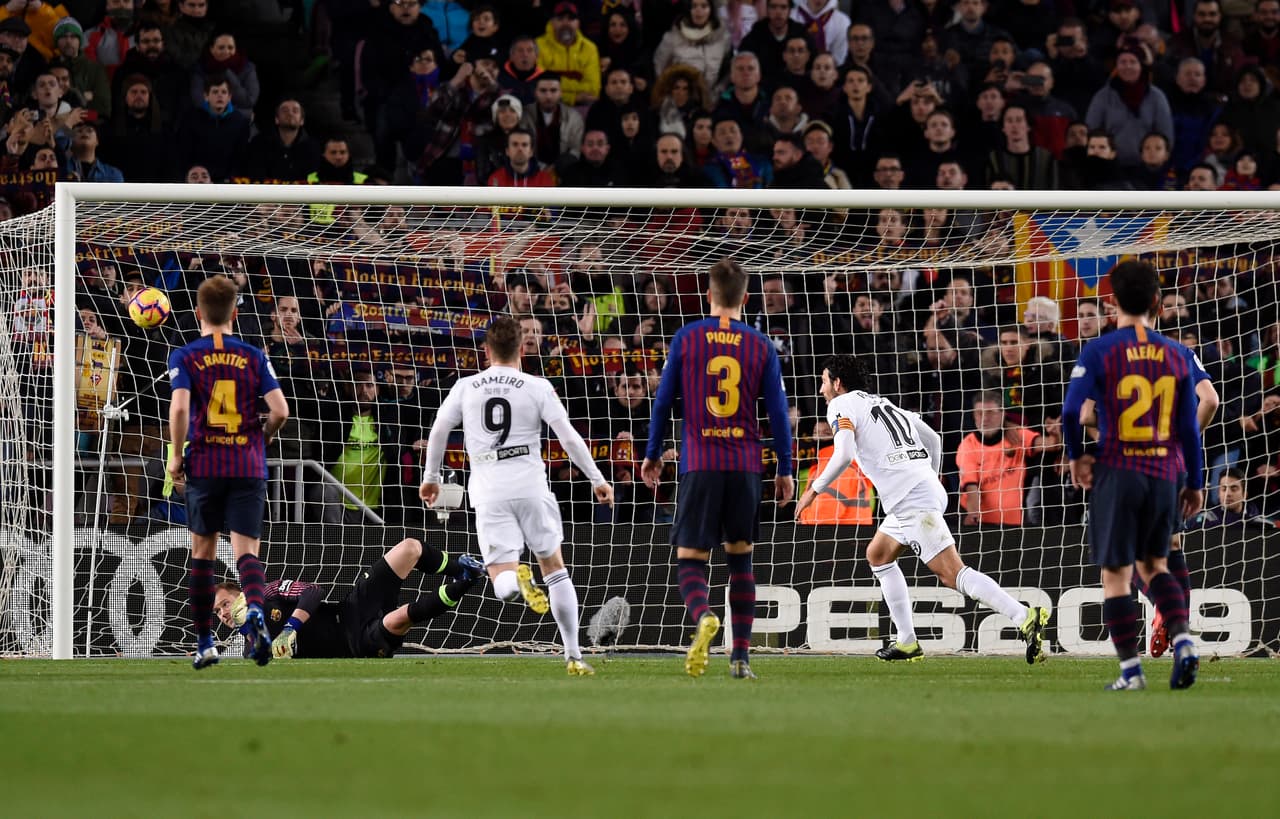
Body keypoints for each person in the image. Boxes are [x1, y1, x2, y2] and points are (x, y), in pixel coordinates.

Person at [795, 355, 1050, 665]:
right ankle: (906, 641)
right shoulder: (884, 403)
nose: (821, 389)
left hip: (912, 499)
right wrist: (930, 475)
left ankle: (1023, 615)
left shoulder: (840, 405)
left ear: (837, 383)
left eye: (823, 382)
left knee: (952, 574)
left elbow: (844, 453)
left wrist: (812, 490)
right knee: (878, 555)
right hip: (918, 493)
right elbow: (933, 438)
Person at [420, 315, 614, 676]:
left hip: (489, 487)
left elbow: (438, 430)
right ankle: (573, 656)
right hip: (529, 483)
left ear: (486, 350)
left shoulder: (466, 385)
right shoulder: (537, 386)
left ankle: (515, 578)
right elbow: (568, 436)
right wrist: (597, 478)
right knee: (555, 569)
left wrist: (431, 478)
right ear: (522, 348)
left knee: (501, 584)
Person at [641, 258, 796, 680]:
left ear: (709, 295)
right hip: (745, 466)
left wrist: (653, 452)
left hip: (700, 461)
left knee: (691, 558)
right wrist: (785, 467)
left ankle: (706, 615)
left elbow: (662, 401)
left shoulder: (687, 338)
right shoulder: (760, 344)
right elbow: (779, 413)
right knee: (741, 561)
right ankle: (741, 657)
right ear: (746, 298)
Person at [1062, 260, 1205, 691]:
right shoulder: (1177, 353)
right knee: (1157, 565)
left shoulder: (1100, 349)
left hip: (1118, 470)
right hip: (1164, 473)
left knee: (1116, 575)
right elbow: (1187, 428)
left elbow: (1072, 412)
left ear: (1111, 303)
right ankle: (1183, 640)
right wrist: (1195, 481)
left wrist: (1076, 456)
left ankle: (1131, 672)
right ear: (1158, 303)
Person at [166, 276, 291, 670]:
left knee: (203, 554)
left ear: (200, 313)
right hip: (247, 463)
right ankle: (254, 607)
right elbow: (281, 410)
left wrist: (175, 455)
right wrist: (265, 436)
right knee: (246, 554)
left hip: (205, 463)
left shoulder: (184, 355)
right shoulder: (253, 354)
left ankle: (205, 642)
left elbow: (181, 409)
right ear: (235, 313)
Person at [212, 537, 486, 659]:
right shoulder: (253, 651)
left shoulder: (270, 591)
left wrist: (289, 629)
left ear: (241, 594)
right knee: (397, 618)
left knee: (409, 549)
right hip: (356, 646)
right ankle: (466, 582)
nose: (222, 613)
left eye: (224, 603)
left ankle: (463, 568)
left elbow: (314, 592)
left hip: (350, 610)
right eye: (217, 612)